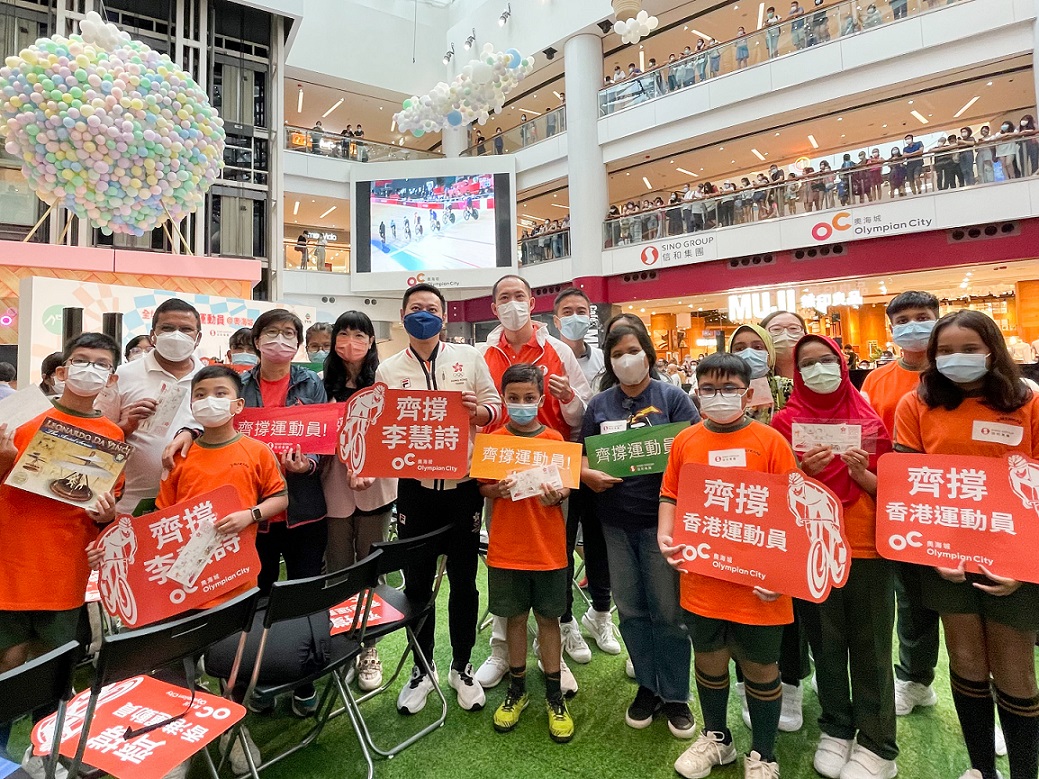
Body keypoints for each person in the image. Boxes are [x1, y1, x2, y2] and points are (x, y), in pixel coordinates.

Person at [893, 309, 1039, 779]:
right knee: (967, 660)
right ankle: (981, 769)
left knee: (1014, 665)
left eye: (970, 348)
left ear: (993, 350)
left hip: (1015, 556)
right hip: (948, 556)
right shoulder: (916, 404)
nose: (957, 358)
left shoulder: (1028, 402)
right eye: (946, 351)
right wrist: (936, 553)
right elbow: (910, 485)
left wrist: (1022, 563)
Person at [659, 353, 797, 779]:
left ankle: (764, 754)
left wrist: (782, 573)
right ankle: (718, 738)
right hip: (702, 577)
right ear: (697, 392)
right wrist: (665, 534)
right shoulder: (686, 440)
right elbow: (671, 494)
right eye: (709, 389)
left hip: (759, 584)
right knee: (709, 658)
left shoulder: (771, 442)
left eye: (729, 388)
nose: (718, 396)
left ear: (748, 393)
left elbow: (793, 511)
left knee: (760, 666)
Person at [151, 364, 288, 774]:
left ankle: (232, 728)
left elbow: (280, 498)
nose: (209, 400)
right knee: (177, 662)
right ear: (192, 405)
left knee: (233, 665)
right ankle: (178, 741)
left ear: (238, 404)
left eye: (220, 393)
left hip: (236, 582)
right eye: (201, 394)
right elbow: (162, 517)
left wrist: (251, 514)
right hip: (184, 582)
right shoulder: (180, 455)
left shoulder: (256, 451)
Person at [773, 336, 898, 779]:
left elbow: (893, 491)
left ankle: (878, 744)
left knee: (872, 646)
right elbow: (777, 491)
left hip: (866, 546)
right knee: (825, 643)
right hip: (814, 546)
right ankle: (836, 727)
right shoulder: (783, 423)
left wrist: (862, 475)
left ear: (842, 364)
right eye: (807, 363)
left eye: (826, 360)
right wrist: (800, 473)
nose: (818, 369)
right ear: (796, 373)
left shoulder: (869, 421)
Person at [0, 333, 122, 776]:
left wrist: (107, 516)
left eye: (101, 364)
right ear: (63, 369)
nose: (90, 370)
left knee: (52, 672)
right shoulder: (20, 418)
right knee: (7, 666)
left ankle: (47, 755)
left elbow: (104, 508)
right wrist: (4, 459)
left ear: (111, 377)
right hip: (10, 563)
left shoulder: (112, 437)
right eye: (81, 360)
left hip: (65, 570)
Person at [377, 282, 502, 715]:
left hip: (463, 489)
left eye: (432, 308)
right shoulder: (388, 369)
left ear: (444, 317)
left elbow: (494, 407)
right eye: (416, 308)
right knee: (417, 585)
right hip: (415, 493)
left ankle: (461, 666)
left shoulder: (469, 358)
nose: (423, 314)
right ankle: (422, 667)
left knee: (464, 582)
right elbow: (381, 427)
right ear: (403, 316)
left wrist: (478, 412)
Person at [580, 324, 700, 739]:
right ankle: (648, 687)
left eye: (632, 351)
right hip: (615, 523)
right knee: (630, 609)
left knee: (668, 612)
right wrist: (588, 474)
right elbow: (581, 456)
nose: (626, 360)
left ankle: (676, 695)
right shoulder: (599, 405)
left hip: (660, 525)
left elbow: (694, 451)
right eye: (617, 355)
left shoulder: (672, 399)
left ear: (648, 354)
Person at [476, 277, 593, 693]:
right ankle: (501, 653)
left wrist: (567, 398)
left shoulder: (558, 350)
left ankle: (553, 652)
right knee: (504, 561)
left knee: (552, 557)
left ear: (532, 301)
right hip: (501, 469)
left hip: (551, 468)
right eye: (504, 298)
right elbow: (480, 411)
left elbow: (582, 414)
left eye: (519, 297)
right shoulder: (482, 354)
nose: (513, 304)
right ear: (494, 307)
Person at [480, 364, 574, 743]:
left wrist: (558, 495)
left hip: (548, 550)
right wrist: (496, 491)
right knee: (514, 620)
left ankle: (554, 695)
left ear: (541, 399)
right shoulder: (494, 440)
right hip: (506, 549)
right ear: (503, 399)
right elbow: (483, 487)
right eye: (514, 398)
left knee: (549, 621)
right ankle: (517, 689)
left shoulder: (554, 438)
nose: (521, 404)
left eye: (529, 398)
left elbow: (565, 487)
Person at [321, 311, 396, 692]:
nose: (351, 342)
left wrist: (371, 467)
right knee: (337, 568)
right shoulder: (320, 383)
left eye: (359, 335)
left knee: (370, 569)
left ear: (371, 341)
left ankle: (369, 646)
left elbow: (394, 433)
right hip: (333, 485)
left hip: (376, 486)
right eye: (344, 334)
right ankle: (341, 644)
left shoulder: (384, 381)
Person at [113, 298, 204, 516]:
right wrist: (126, 426)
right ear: (153, 335)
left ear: (198, 337)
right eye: (167, 328)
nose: (176, 335)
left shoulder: (210, 379)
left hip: (194, 500)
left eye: (186, 329)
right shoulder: (123, 375)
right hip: (131, 504)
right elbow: (101, 435)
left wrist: (193, 433)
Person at [761, 310, 807, 381]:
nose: (785, 334)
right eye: (776, 329)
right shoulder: (753, 378)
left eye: (793, 328)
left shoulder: (816, 373)